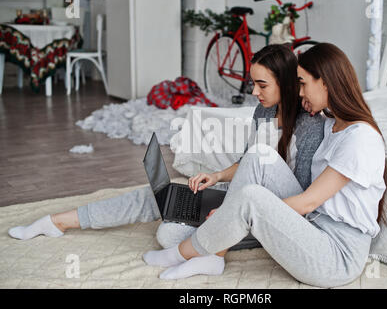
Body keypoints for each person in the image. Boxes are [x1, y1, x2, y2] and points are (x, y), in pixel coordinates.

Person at [7, 44, 325, 276]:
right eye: (252, 83)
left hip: (272, 215)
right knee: (162, 198)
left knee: (167, 235)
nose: (253, 91)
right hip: (240, 198)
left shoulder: (309, 125)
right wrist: (216, 177)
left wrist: (232, 211)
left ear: (286, 83)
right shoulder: (264, 111)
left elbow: (304, 194)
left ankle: (212, 251)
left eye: (262, 84)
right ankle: (57, 221)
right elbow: (249, 163)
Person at [143, 43, 387, 288]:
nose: (300, 92)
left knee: (250, 198)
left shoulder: (360, 138)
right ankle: (213, 256)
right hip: (312, 226)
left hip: (336, 256)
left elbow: (308, 202)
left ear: (325, 82)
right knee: (259, 154)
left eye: (303, 84)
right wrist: (228, 200)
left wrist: (235, 211)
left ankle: (179, 255)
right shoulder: (331, 125)